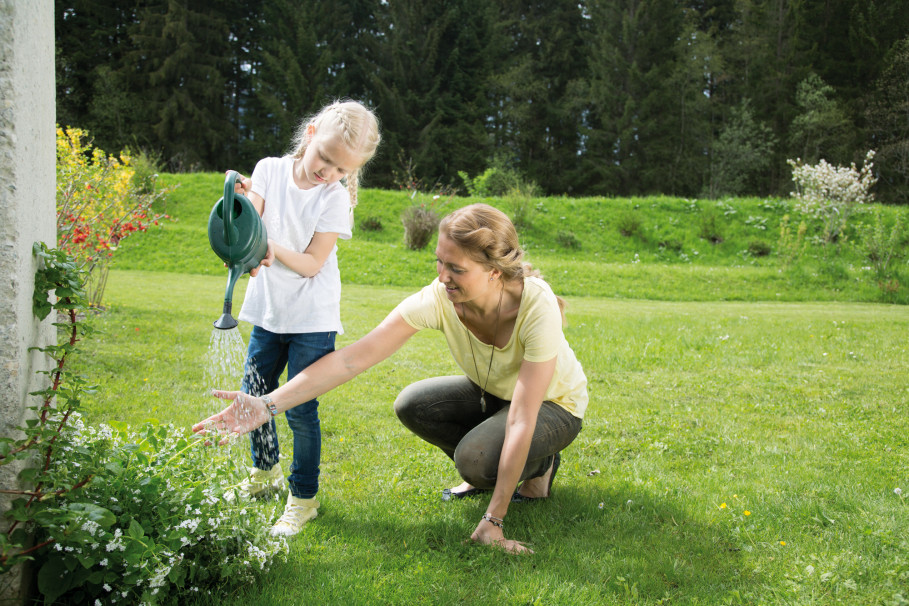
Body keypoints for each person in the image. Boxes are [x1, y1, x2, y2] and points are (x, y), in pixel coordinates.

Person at [195, 204, 587, 553]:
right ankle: (496, 466)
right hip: (493, 395)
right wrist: (267, 405)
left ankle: (538, 465)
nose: (443, 276)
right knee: (413, 404)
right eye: (440, 261)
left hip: (554, 405)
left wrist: (494, 520)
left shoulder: (536, 304)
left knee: (476, 460)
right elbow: (352, 359)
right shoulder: (439, 298)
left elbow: (522, 416)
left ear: (495, 272)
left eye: (457, 269)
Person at [227, 100, 381, 537]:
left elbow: (313, 263)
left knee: (299, 408)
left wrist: (270, 249)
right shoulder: (270, 170)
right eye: (325, 160)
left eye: (341, 170)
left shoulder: (333, 199)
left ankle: (303, 498)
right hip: (269, 310)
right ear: (310, 134)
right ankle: (265, 473)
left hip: (312, 318)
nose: (329, 173)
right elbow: (251, 222)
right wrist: (238, 210)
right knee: (254, 392)